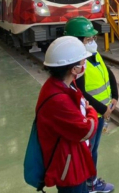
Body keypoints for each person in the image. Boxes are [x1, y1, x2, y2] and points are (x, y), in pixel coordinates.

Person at [36, 36, 98, 193]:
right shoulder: (58, 100)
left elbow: (80, 102)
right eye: (83, 63)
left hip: (72, 158)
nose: (84, 65)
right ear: (74, 69)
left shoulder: (62, 85)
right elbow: (86, 130)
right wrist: (91, 111)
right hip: (69, 168)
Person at [64, 17, 117, 193]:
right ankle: (90, 184)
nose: (93, 42)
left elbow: (108, 73)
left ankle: (91, 182)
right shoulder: (78, 66)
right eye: (88, 40)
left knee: (93, 150)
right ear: (75, 42)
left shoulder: (93, 55)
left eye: (93, 39)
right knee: (88, 151)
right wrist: (104, 110)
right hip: (90, 116)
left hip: (99, 115)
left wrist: (114, 96)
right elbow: (82, 93)